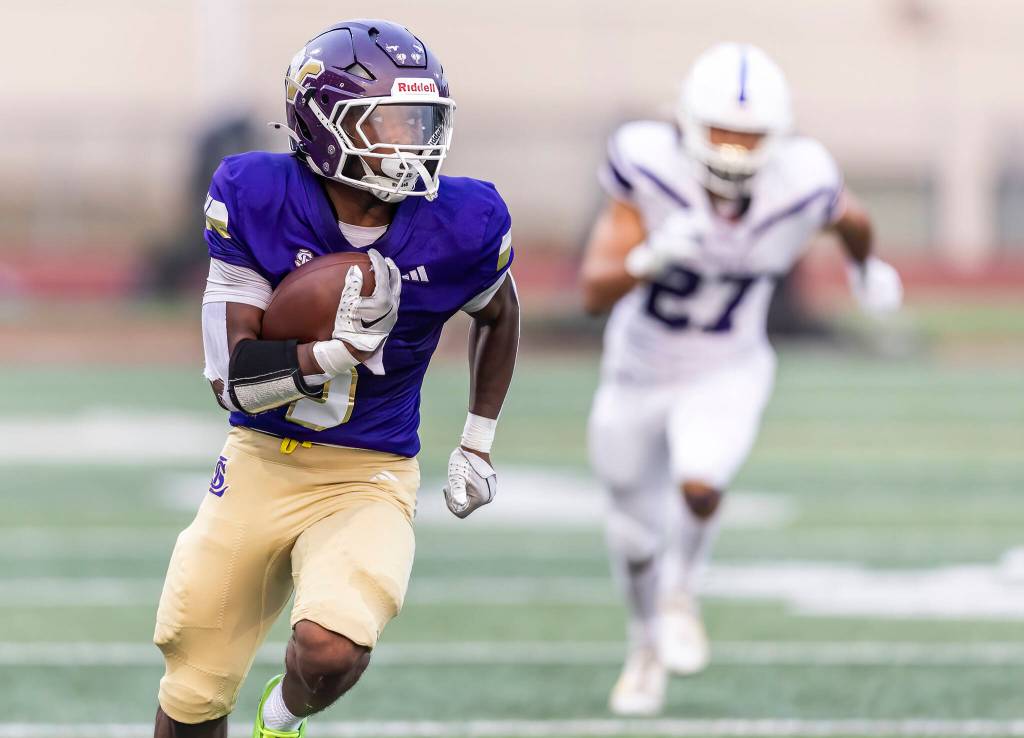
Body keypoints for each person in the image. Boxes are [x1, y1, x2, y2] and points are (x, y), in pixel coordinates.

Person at [152, 19, 520, 738]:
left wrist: (477, 441)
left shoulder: (463, 221)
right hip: (261, 458)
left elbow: (500, 315)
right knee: (195, 684)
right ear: (322, 123)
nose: (413, 143)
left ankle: (281, 720)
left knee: (331, 648)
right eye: (390, 122)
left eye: (424, 122)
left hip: (370, 472)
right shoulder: (256, 194)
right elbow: (233, 381)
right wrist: (331, 352)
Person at [580, 42, 902, 716]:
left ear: (777, 138)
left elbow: (854, 217)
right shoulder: (648, 162)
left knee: (701, 482)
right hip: (636, 370)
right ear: (688, 125)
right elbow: (592, 291)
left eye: (749, 136)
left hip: (728, 365)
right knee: (635, 537)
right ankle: (644, 649)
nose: (732, 150)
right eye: (722, 131)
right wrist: (648, 259)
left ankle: (682, 593)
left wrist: (866, 270)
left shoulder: (801, 178)